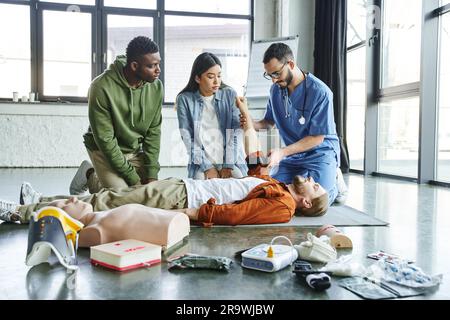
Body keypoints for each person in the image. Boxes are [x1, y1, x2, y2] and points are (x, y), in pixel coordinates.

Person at [1, 166, 329, 226]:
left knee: (105, 203)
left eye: (315, 187)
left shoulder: (284, 207)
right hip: (181, 187)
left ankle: (19, 212)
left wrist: (190, 214)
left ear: (307, 203)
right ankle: (40, 202)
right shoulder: (278, 185)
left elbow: (237, 215)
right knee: (110, 196)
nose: (312, 180)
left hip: (180, 199)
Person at [241, 43, 346, 204]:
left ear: (291, 64)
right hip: (294, 156)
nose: (274, 80)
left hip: (320, 152)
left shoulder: (320, 92)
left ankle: (335, 180)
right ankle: (306, 178)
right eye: (269, 75)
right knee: (272, 191)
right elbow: (268, 123)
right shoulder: (276, 90)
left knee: (318, 200)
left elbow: (317, 138)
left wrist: (282, 152)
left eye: (277, 73)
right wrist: (249, 122)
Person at [70, 36, 163, 195]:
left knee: (152, 194)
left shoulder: (156, 87)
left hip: (133, 149)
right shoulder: (100, 87)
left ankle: (104, 178)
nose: (158, 70)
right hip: (104, 150)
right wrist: (133, 178)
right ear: (134, 66)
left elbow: (153, 132)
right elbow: (106, 141)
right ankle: (90, 174)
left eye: (158, 64)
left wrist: (151, 173)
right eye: (152, 65)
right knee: (122, 198)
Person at [176, 52, 247, 180]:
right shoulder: (184, 99)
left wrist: (228, 165)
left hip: (230, 160)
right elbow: (187, 137)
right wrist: (207, 167)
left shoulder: (229, 94)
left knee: (238, 181)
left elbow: (235, 132)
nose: (216, 81)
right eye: (210, 76)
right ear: (197, 78)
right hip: (202, 163)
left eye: (219, 76)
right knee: (199, 186)